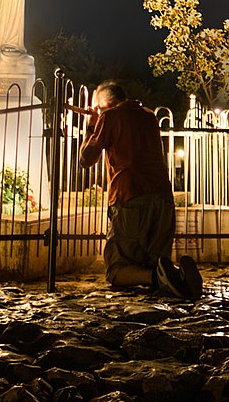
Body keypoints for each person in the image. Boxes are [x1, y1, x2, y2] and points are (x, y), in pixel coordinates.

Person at [76, 81, 201, 299]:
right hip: (163, 197)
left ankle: (158, 278)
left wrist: (91, 125)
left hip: (129, 195)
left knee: (116, 269)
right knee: (156, 259)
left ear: (104, 103)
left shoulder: (110, 116)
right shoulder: (149, 116)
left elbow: (85, 159)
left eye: (96, 106)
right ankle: (178, 278)